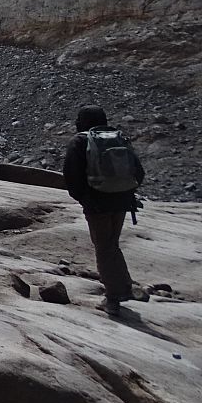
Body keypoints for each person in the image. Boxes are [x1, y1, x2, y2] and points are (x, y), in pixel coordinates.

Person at [63, 105, 144, 316]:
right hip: (123, 200)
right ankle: (124, 286)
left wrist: (86, 199)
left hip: (97, 203)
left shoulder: (79, 141)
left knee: (103, 247)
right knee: (111, 244)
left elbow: (72, 177)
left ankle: (113, 298)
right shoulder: (118, 137)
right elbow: (139, 172)